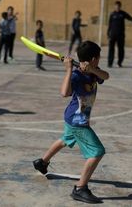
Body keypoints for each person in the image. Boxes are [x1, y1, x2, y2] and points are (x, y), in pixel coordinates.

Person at [33, 41, 109, 204]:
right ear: (95, 58)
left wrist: (92, 69)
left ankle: (42, 162)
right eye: (99, 58)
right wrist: (69, 70)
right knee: (97, 151)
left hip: (74, 118)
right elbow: (64, 93)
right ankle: (80, 188)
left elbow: (106, 76)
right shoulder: (76, 75)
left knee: (66, 139)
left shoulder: (94, 72)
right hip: (77, 120)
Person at [107, 1, 132, 68]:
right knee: (111, 49)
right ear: (115, 6)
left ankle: (119, 62)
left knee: (121, 49)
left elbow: (130, 18)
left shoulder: (123, 13)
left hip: (121, 35)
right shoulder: (112, 14)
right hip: (113, 35)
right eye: (116, 6)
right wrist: (108, 33)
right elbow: (109, 25)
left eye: (118, 6)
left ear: (120, 6)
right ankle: (110, 63)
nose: (117, 7)